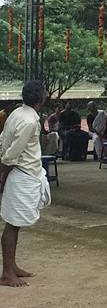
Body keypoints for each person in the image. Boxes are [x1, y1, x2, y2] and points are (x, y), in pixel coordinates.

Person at [0, 81, 51, 287]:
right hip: (22, 174)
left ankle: (12, 267)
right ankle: (7, 273)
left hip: (25, 173)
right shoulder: (29, 121)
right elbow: (12, 154)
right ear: (40, 98)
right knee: (13, 224)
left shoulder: (17, 113)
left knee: (16, 223)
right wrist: (2, 176)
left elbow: (3, 140)